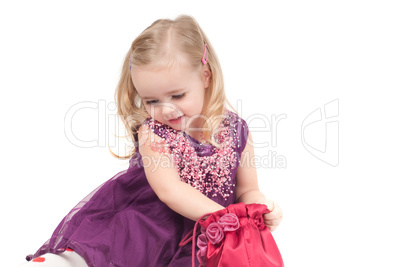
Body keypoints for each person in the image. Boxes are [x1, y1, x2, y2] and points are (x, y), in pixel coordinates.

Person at [21, 15, 283, 267]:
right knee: (103, 252)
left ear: (206, 76)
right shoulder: (154, 133)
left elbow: (247, 189)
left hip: (211, 234)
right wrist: (225, 217)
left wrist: (258, 207)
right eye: (152, 101)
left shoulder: (237, 131)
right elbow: (170, 190)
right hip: (151, 227)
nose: (166, 110)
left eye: (178, 95)